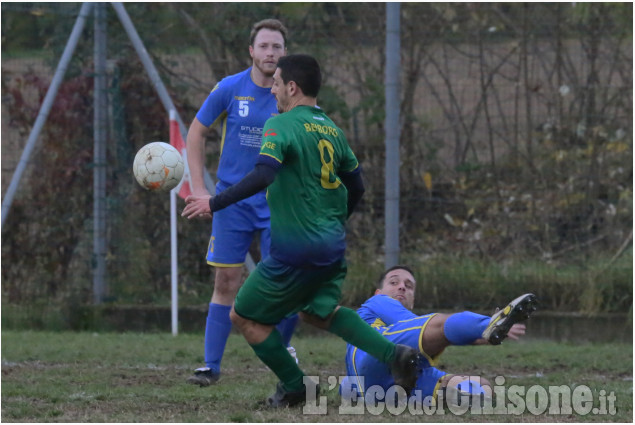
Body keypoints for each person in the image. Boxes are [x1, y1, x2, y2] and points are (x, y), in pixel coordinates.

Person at [182, 54, 421, 408]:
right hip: (331, 247)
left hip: (295, 250)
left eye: (277, 83)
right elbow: (357, 187)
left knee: (244, 316)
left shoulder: (281, 125)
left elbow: (264, 174)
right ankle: (395, 355)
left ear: (291, 87)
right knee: (318, 312)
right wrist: (333, 222)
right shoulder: (332, 129)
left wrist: (213, 202)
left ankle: (296, 387)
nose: (273, 90)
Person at [184, 18, 299, 387]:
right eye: (264, 46)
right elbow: (196, 132)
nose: (270, 53)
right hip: (232, 202)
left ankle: (282, 366)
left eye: (276, 47)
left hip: (277, 205)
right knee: (227, 280)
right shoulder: (230, 88)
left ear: (285, 53)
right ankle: (210, 366)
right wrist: (200, 189)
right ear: (251, 51)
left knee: (282, 284)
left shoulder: (291, 95)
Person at [341, 265, 538, 407]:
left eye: (408, 286)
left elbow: (430, 333)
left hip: (387, 386)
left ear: (413, 299)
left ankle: (444, 396)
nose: (402, 287)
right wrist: (485, 326)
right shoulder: (377, 302)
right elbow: (432, 329)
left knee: (482, 388)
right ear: (378, 292)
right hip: (376, 354)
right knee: (439, 323)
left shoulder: (409, 325)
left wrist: (489, 334)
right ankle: (489, 323)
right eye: (394, 282)